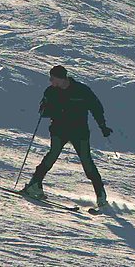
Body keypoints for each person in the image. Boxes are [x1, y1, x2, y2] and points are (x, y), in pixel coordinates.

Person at [24, 64, 113, 208]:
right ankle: (34, 185)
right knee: (52, 155)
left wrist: (103, 126)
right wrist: (46, 107)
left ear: (61, 78)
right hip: (59, 130)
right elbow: (42, 112)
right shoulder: (51, 92)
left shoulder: (82, 90)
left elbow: (96, 108)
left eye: (53, 79)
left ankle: (101, 195)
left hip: (79, 132)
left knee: (87, 161)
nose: (51, 81)